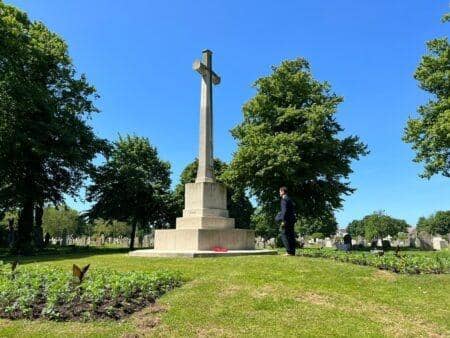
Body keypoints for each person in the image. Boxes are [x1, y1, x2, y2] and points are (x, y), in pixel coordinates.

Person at [275, 186, 297, 256]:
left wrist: (283, 220)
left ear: (283, 191)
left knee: (284, 234)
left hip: (286, 220)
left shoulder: (284, 199)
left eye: (280, 191)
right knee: (291, 236)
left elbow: (284, 211)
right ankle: (292, 252)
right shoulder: (289, 199)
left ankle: (288, 252)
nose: (279, 193)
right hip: (292, 220)